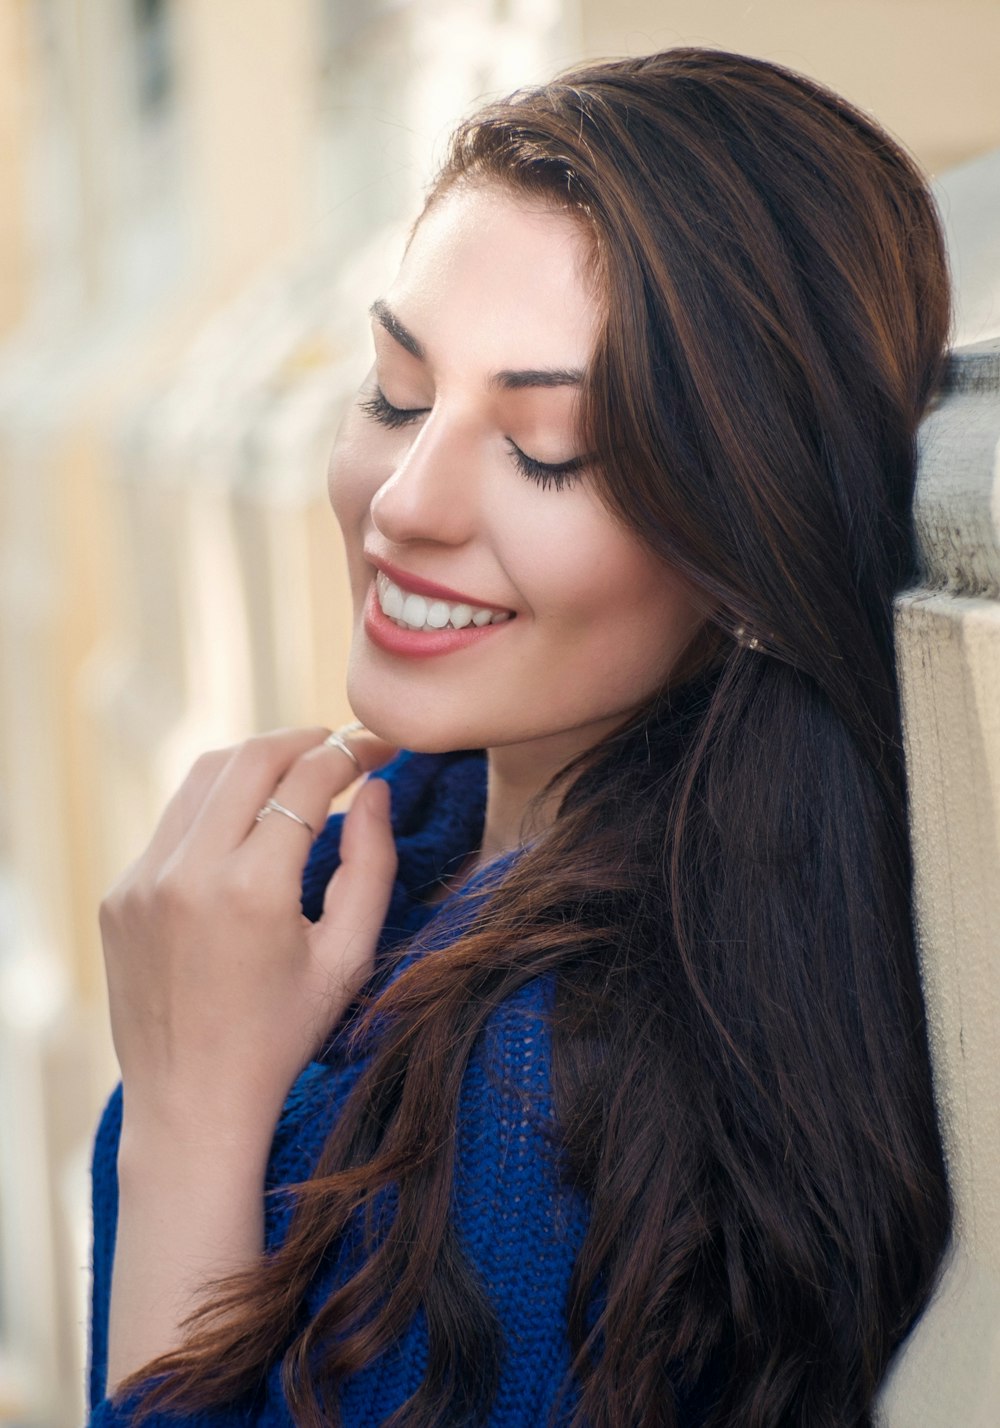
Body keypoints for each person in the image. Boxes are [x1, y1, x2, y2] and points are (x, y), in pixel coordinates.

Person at [87, 46, 953, 1428]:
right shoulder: (385, 863)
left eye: (550, 446)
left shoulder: (549, 1085)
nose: (406, 501)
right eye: (396, 394)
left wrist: (190, 1119)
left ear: (747, 542)